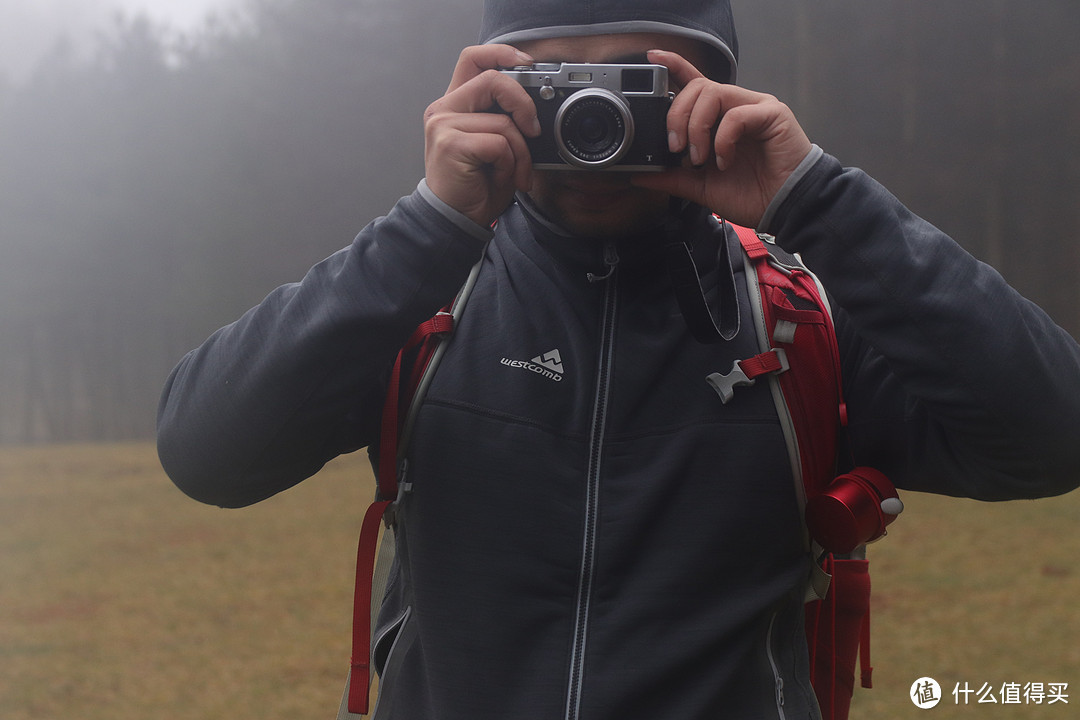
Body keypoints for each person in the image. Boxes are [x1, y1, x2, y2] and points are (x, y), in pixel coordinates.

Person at [156, 1, 1080, 718]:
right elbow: (207, 451)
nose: (594, 119)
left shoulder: (794, 323)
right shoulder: (420, 299)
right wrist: (428, 227)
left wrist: (817, 200)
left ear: (713, 94)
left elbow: (1053, 435)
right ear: (484, 91)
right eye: (552, 88)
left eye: (638, 85)